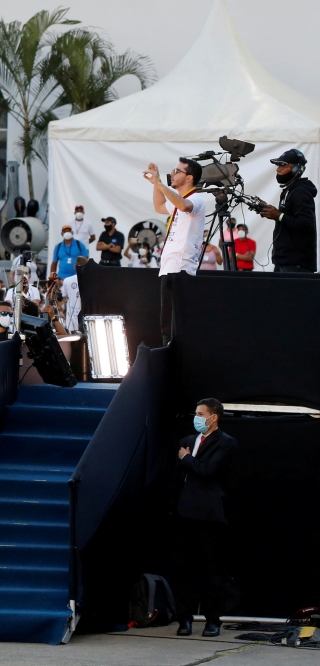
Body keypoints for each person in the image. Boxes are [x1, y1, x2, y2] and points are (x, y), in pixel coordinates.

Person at [171, 398, 237, 638]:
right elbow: (179, 476)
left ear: (213, 417)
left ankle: (212, 620)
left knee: (212, 569)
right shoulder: (187, 441)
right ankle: (184, 619)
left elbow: (208, 471)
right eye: (195, 413)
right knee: (183, 568)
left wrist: (187, 459)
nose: (196, 417)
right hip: (184, 513)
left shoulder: (226, 443)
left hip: (209, 515)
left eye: (200, 413)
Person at [145, 158, 205, 342]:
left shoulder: (196, 199)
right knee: (167, 324)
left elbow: (183, 206)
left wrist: (158, 183)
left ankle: (174, 361)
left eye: (177, 171)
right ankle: (168, 357)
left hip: (181, 266)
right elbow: (160, 206)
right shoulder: (180, 199)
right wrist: (157, 183)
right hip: (170, 266)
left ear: (189, 178)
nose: (173, 173)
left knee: (175, 325)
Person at [258, 149, 317, 273]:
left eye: (283, 166)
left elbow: (306, 223)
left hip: (296, 264)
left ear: (297, 169)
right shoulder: (290, 190)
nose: (278, 169)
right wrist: (271, 211)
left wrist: (279, 215)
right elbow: (289, 217)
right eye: (278, 165)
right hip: (285, 261)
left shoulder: (300, 191)